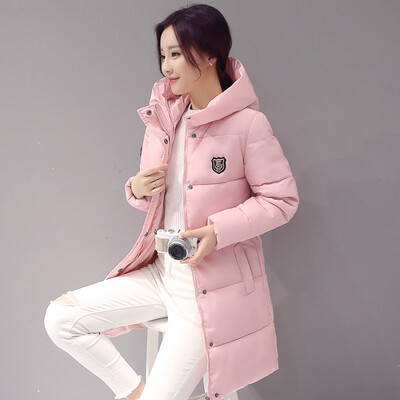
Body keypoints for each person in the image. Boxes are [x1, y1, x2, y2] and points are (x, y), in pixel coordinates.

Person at [44, 4, 300, 400]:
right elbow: (153, 201)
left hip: (209, 293)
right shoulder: (165, 121)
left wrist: (217, 231)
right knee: (61, 318)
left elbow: (281, 200)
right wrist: (137, 188)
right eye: (163, 55)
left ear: (210, 54)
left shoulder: (248, 124)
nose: (166, 66)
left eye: (176, 54)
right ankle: (134, 392)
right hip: (161, 272)